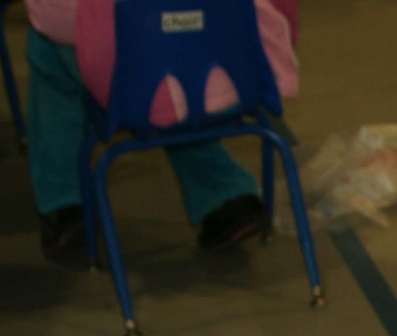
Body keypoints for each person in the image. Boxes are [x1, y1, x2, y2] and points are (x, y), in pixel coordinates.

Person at [23, 0, 297, 260]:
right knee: (179, 51)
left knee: (49, 51)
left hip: (140, 96)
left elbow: (50, 19)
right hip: (243, 83)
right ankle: (224, 196)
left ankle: (65, 206)